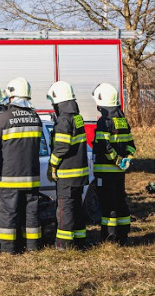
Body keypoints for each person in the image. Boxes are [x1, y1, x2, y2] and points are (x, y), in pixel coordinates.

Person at [0, 77, 43, 254]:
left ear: (11, 95)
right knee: (31, 213)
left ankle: (8, 249)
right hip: (31, 177)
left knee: (8, 214)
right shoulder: (36, 118)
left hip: (8, 177)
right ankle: (33, 248)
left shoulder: (4, 118)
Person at [92, 83, 136, 245]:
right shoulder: (122, 120)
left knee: (107, 205)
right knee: (119, 201)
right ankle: (123, 235)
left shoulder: (104, 122)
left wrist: (117, 161)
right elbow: (131, 144)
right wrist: (127, 159)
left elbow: (105, 146)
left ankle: (109, 237)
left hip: (105, 171)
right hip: (119, 173)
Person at [47, 81, 89, 250]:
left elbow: (62, 147)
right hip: (79, 173)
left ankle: (63, 245)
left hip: (67, 173)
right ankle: (79, 242)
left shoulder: (64, 120)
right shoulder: (77, 118)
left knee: (64, 210)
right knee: (77, 208)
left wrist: (52, 165)